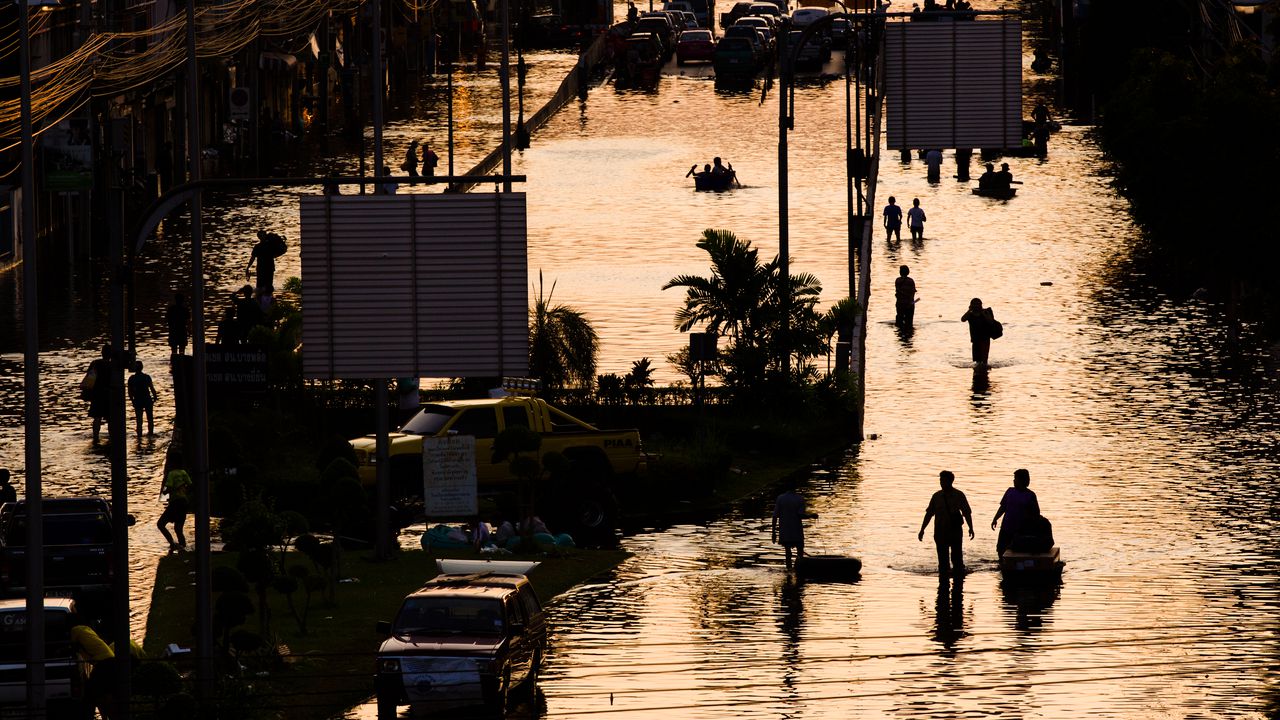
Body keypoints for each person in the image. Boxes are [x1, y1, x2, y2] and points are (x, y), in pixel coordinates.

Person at [918, 470, 974, 578]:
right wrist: (922, 530)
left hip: (955, 532)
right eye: (940, 480)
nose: (941, 483)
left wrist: (971, 528)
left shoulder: (959, 495)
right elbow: (929, 514)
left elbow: (967, 513)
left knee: (957, 559)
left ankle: (958, 583)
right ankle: (943, 584)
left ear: (950, 481)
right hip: (940, 532)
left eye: (943, 480)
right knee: (943, 561)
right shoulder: (936, 496)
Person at [991, 468, 1040, 558]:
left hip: (1021, 529)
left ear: (1022, 480)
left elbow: (1036, 513)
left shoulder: (1030, 495)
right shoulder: (1010, 491)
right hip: (1006, 527)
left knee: (1018, 552)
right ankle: (1002, 565)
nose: (1013, 480)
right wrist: (995, 519)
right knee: (1001, 549)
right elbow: (1003, 507)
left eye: (1015, 478)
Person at [772, 482, 815, 570]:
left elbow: (775, 516)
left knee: (788, 553)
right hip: (796, 531)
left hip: (785, 531)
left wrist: (773, 532)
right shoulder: (800, 499)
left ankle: (789, 571)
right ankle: (799, 571)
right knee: (800, 553)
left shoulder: (780, 498)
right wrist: (811, 516)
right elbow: (800, 515)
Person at [157, 468, 192, 551]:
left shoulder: (171, 474)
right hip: (183, 503)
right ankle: (183, 547)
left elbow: (167, 488)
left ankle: (172, 543)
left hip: (175, 503)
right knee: (178, 529)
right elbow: (190, 485)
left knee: (160, 524)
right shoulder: (184, 472)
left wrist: (164, 492)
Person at [86, 345, 112, 444]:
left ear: (102, 353)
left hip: (97, 394)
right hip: (108, 394)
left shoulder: (95, 363)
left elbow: (89, 377)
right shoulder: (112, 365)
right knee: (110, 418)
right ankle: (111, 437)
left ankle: (95, 437)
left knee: (97, 417)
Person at [127, 361, 158, 438]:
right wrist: (155, 397)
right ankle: (150, 434)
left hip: (137, 400)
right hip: (147, 399)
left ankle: (139, 436)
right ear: (142, 368)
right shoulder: (147, 377)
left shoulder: (131, 379)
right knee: (150, 418)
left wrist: (132, 400)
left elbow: (129, 392)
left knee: (139, 419)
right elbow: (152, 388)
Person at [961, 297, 992, 365]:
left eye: (978, 304)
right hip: (975, 340)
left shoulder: (986, 312)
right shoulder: (970, 314)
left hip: (985, 339)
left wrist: (984, 313)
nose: (976, 306)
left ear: (981, 305)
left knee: (984, 361)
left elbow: (991, 322)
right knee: (977, 361)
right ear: (971, 306)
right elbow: (963, 319)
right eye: (974, 305)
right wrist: (969, 310)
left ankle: (983, 373)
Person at [246, 230, 278, 295]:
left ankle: (265, 300)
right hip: (263, 268)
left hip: (268, 268)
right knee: (261, 287)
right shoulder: (259, 246)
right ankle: (264, 301)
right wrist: (248, 267)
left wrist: (248, 267)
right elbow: (253, 258)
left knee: (266, 287)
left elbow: (253, 257)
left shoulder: (269, 245)